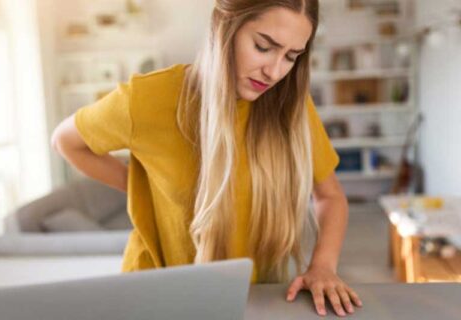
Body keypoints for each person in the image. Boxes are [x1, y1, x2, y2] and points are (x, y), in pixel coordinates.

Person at [51, 0, 363, 317]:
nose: (274, 71)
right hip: (153, 295)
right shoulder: (147, 98)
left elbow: (330, 195)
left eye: (291, 57)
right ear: (225, 27)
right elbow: (65, 141)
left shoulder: (291, 107)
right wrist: (142, 188)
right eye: (263, 47)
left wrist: (323, 265)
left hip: (251, 299)